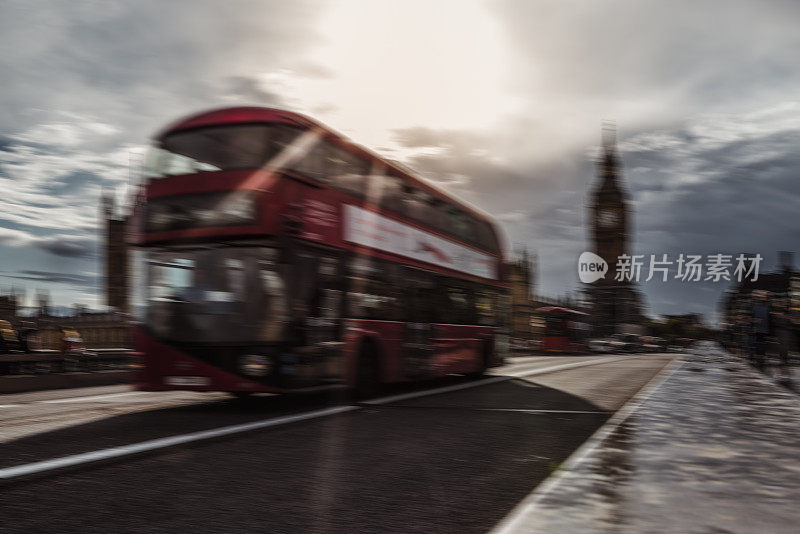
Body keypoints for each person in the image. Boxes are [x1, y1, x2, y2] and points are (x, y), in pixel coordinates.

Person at [751, 290, 770, 370]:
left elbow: (769, 318)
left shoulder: (767, 306)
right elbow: (752, 316)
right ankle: (758, 359)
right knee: (758, 343)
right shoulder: (755, 306)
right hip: (758, 328)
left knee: (761, 343)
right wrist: (754, 320)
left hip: (764, 328)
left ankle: (761, 359)